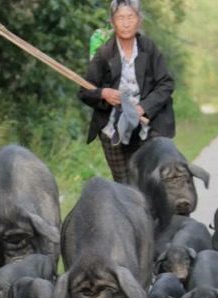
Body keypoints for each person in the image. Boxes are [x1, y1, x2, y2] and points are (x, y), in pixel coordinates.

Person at [79, 0, 175, 183]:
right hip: (113, 128)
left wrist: (142, 108)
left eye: (130, 17)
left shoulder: (148, 48)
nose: (125, 22)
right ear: (112, 22)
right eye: (120, 17)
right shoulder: (104, 53)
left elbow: (166, 83)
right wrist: (103, 93)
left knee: (154, 180)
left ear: (139, 20)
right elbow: (84, 91)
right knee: (125, 186)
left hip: (148, 125)